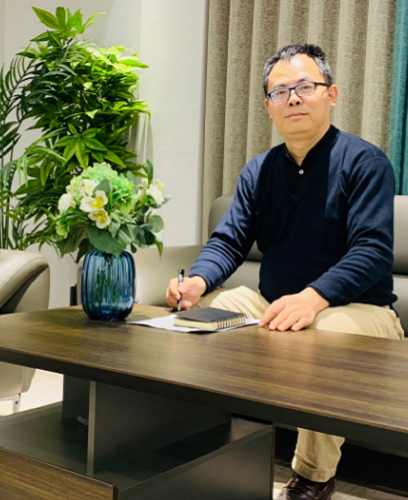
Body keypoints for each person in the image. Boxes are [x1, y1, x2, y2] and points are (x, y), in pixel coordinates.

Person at [165, 44, 403, 500]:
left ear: (331, 94)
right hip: (277, 304)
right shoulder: (259, 170)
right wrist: (196, 281)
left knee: (321, 338)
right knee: (206, 316)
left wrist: (313, 298)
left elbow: (372, 251)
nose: (293, 98)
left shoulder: (365, 163)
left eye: (305, 87)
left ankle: (314, 476)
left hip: (360, 311)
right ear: (268, 106)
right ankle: (207, 448)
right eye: (280, 91)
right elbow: (229, 240)